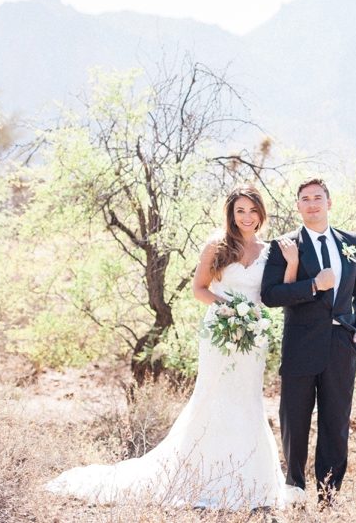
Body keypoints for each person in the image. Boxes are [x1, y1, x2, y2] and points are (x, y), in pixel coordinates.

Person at [46, 185, 305, 509]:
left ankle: (248, 478)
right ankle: (201, 474)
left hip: (253, 336)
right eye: (240, 210)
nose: (247, 217)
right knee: (213, 397)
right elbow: (200, 289)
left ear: (261, 213)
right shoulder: (218, 245)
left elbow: (283, 293)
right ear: (231, 213)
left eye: (252, 210)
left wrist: (292, 262)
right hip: (220, 332)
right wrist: (227, 308)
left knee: (247, 400)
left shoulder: (271, 251)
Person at [261, 177, 356, 502]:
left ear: (329, 202)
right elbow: (270, 295)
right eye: (305, 199)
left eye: (318, 197)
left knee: (335, 425)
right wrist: (313, 285)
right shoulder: (284, 246)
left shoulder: (352, 242)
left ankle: (328, 496)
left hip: (341, 346)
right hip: (300, 346)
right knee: (294, 423)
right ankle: (295, 490)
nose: (312, 203)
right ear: (298, 206)